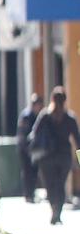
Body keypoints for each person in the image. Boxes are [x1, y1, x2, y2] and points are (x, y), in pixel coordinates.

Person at [30, 87, 80, 225]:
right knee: (60, 184)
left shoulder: (45, 116)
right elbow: (77, 141)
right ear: (65, 100)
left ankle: (54, 209)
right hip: (64, 157)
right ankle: (57, 212)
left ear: (52, 99)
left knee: (50, 185)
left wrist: (33, 149)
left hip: (47, 157)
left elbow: (34, 134)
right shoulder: (69, 118)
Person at [16, 93, 43, 203]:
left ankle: (31, 193)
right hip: (25, 149)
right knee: (27, 171)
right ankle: (28, 194)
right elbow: (23, 135)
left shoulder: (38, 116)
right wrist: (27, 149)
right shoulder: (26, 116)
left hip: (34, 149)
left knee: (34, 171)